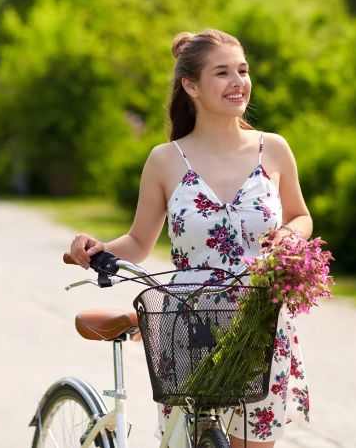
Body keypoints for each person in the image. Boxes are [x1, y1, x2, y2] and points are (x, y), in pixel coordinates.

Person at [64, 28, 312, 448]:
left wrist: (289, 237)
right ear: (191, 85)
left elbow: (301, 216)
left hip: (261, 320)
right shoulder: (165, 160)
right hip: (190, 322)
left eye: (243, 70)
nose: (238, 82)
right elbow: (139, 242)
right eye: (222, 73)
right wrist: (95, 249)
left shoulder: (273, 149)